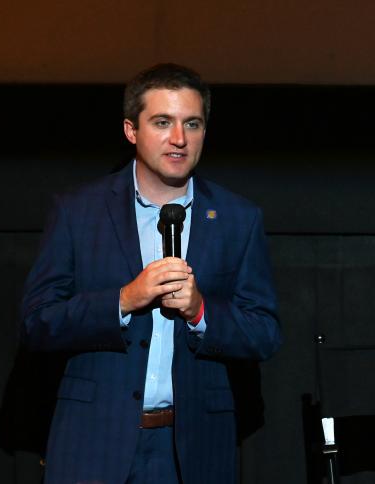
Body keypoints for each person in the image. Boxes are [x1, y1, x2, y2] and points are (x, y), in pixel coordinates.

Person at [20, 63, 281, 484]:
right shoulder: (78, 212)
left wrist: (201, 312)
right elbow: (37, 323)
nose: (179, 139)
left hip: (193, 450)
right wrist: (123, 300)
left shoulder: (238, 218)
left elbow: (265, 333)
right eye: (162, 122)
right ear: (131, 130)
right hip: (94, 443)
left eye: (192, 124)